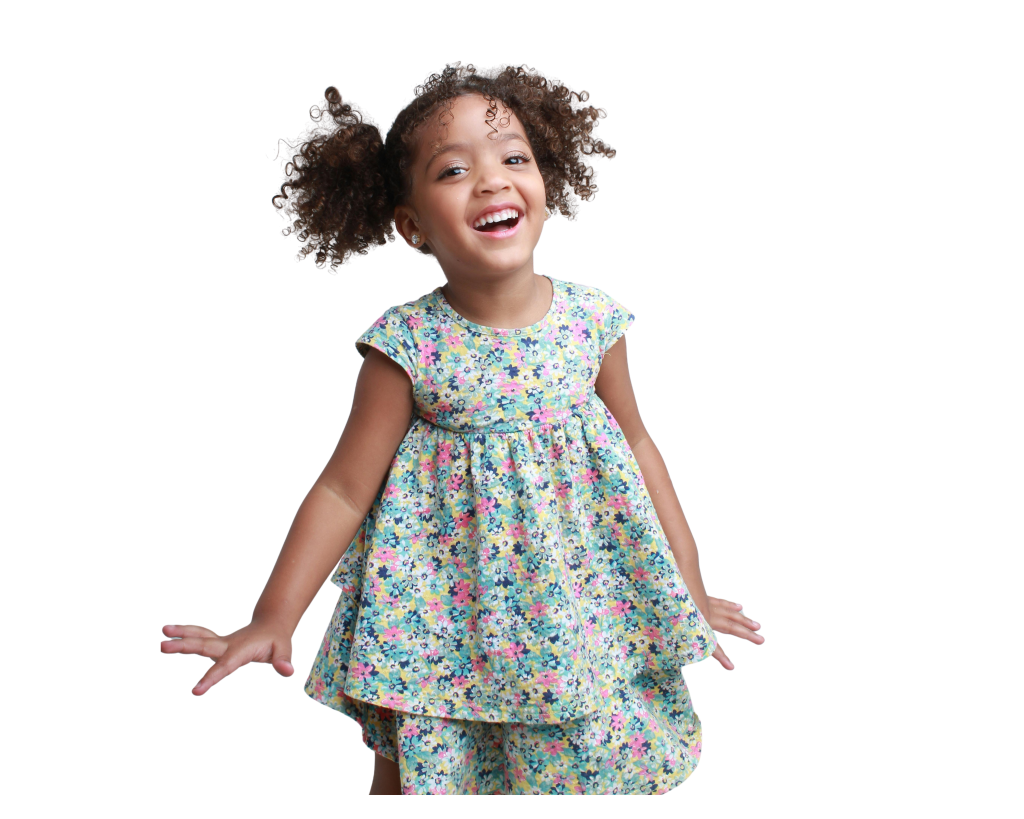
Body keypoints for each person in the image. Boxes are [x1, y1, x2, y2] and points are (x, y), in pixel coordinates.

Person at [159, 62, 766, 796]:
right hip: (447, 621)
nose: (491, 180)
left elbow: (638, 445)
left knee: (585, 756)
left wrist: (687, 584)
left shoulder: (592, 320)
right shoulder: (408, 345)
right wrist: (272, 616)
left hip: (579, 603)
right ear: (412, 225)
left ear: (547, 186)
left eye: (514, 158)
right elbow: (344, 489)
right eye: (453, 170)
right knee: (425, 766)